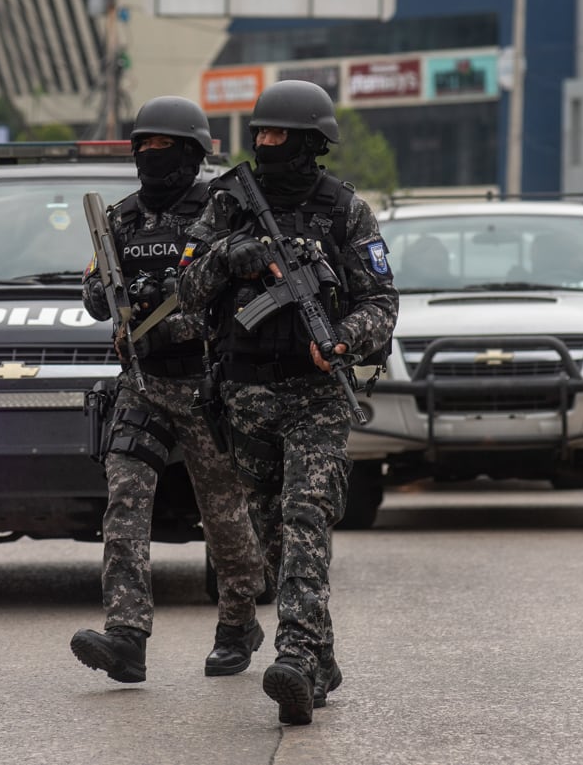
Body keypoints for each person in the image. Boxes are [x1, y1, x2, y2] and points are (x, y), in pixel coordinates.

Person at [177, 79, 399, 725]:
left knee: (306, 518)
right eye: (261, 134)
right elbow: (185, 290)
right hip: (245, 395)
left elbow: (381, 302)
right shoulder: (227, 204)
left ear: (309, 143)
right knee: (269, 534)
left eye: (278, 135)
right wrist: (230, 256)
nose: (266, 143)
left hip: (316, 397)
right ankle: (322, 656)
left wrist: (344, 339)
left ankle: (296, 657)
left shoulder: (345, 211)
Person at [70, 96, 267, 684]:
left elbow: (245, 290)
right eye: (144, 147)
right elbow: (94, 297)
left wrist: (181, 306)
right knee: (125, 502)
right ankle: (126, 635)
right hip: (144, 384)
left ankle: (238, 623)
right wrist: (117, 293)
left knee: (224, 515)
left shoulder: (221, 212)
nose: (151, 157)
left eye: (164, 147)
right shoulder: (120, 220)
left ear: (191, 153)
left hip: (207, 386)